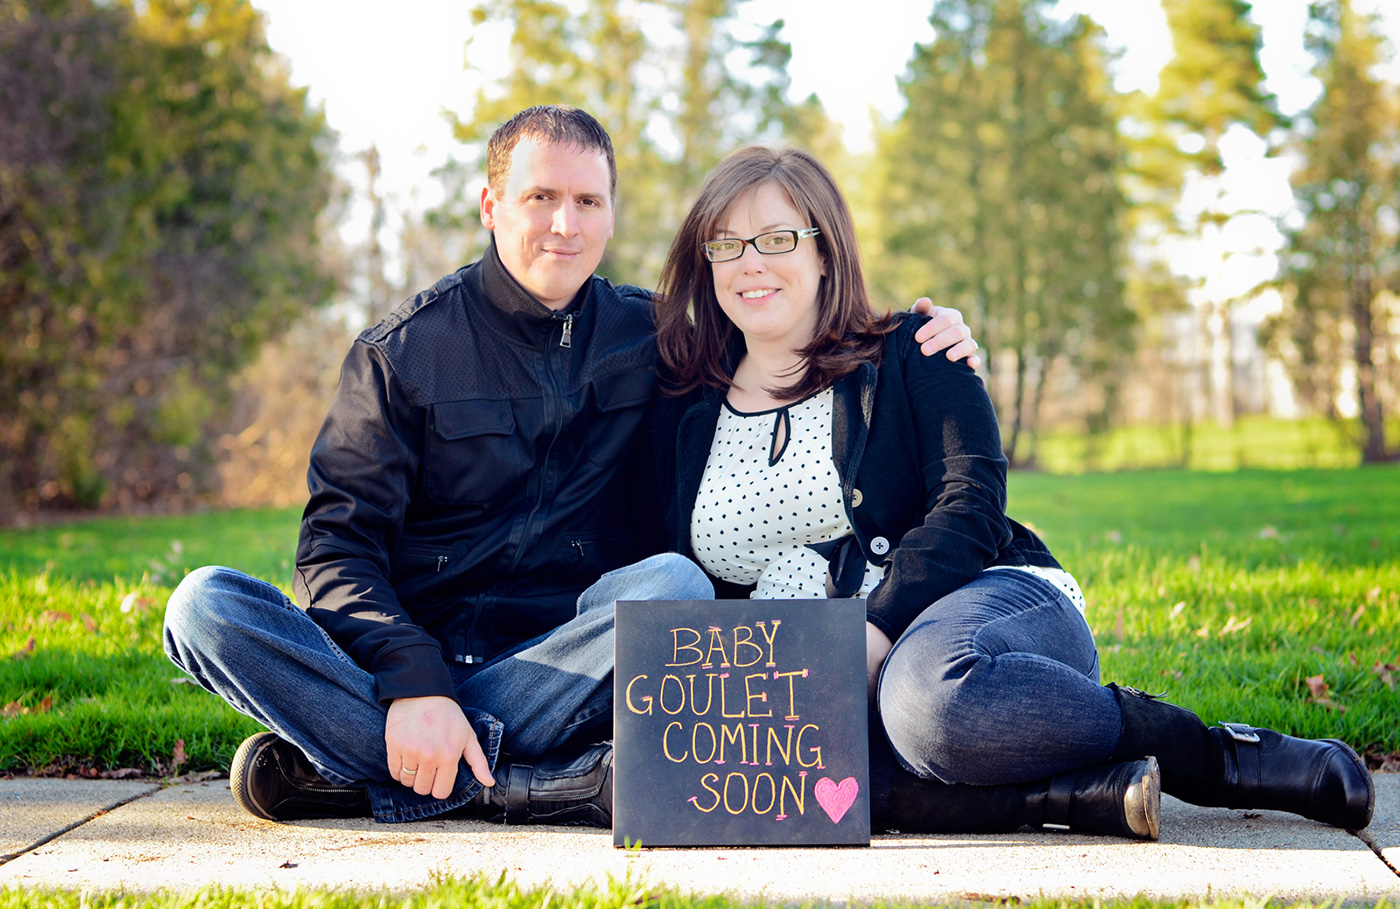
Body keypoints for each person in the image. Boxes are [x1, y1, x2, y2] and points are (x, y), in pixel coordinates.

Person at [161, 105, 978, 827]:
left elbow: (786, 321)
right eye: (540, 198)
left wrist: (925, 338)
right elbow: (336, 552)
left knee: (674, 587)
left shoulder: (656, 339)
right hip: (409, 661)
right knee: (204, 608)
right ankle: (532, 780)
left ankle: (364, 767)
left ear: (612, 215)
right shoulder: (403, 355)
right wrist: (417, 685)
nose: (565, 224)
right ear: (491, 206)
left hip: (566, 662)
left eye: (588, 201)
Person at [650, 145, 1375, 840]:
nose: (750, 263)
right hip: (808, 664)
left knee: (926, 704)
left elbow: (970, 505)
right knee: (775, 767)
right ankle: (1081, 796)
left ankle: (1208, 754)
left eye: (777, 238)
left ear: (825, 251)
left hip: (979, 605)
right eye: (726, 244)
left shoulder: (913, 349)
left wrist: (873, 629)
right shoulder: (684, 406)